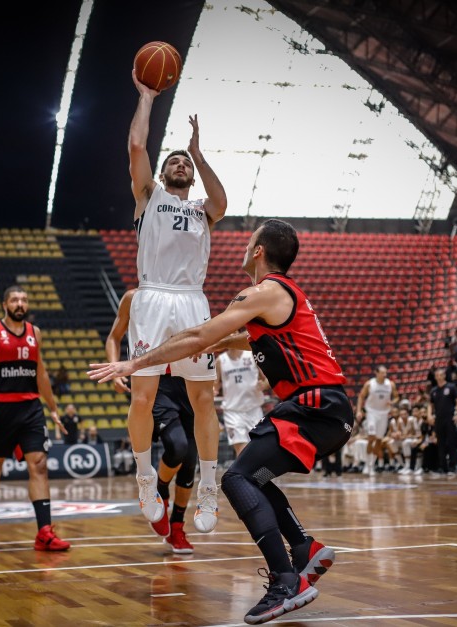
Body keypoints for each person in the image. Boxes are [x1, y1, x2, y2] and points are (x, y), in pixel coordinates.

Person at [89, 219, 352, 624]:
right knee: (254, 476)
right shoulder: (281, 296)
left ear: (259, 251)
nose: (245, 248)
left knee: (237, 480)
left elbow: (197, 335)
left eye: (250, 243)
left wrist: (137, 361)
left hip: (313, 405)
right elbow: (239, 338)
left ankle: (287, 581)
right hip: (327, 408)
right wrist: (215, 343)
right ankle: (304, 550)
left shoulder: (262, 291)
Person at [122, 68, 228, 533]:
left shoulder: (203, 209)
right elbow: (136, 148)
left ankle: (209, 488)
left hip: (191, 301)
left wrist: (201, 154)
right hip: (152, 298)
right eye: (177, 160)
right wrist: (146, 97)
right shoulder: (149, 197)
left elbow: (222, 200)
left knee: (204, 398)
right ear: (164, 172)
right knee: (143, 396)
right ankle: (146, 478)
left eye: (185, 162)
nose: (181, 164)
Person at [0, 285, 70, 551]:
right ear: (5, 304)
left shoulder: (34, 334)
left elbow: (41, 374)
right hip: (0, 411)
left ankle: (44, 532)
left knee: (38, 465)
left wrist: (52, 408)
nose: (20, 304)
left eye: (24, 300)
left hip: (30, 409)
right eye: (15, 299)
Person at [106, 287, 199, 553]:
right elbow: (114, 337)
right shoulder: (133, 297)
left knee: (190, 462)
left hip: (188, 381)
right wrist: (115, 370)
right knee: (177, 446)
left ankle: (177, 528)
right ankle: (157, 488)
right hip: (154, 381)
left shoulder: (188, 294)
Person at [216, 346, 268, 457]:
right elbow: (214, 388)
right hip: (232, 412)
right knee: (243, 454)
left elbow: (268, 378)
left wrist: (264, 385)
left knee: (258, 452)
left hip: (254, 409)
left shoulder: (252, 355)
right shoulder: (221, 360)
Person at [355, 365, 398, 476]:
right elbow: (361, 396)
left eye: (386, 373)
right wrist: (359, 411)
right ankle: (366, 465)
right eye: (382, 373)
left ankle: (372, 464)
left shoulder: (390, 384)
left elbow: (397, 397)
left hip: (384, 413)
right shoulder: (370, 384)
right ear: (376, 373)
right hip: (372, 412)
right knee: (371, 437)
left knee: (379, 440)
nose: (385, 375)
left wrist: (392, 403)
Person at [429, 368, 457, 477]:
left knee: (451, 442)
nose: (439, 376)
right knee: (440, 443)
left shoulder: (451, 387)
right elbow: (430, 405)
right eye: (437, 375)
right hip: (439, 419)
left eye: (441, 374)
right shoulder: (433, 390)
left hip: (449, 418)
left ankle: (452, 466)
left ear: (444, 376)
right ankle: (443, 467)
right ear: (435, 377)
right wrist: (429, 415)